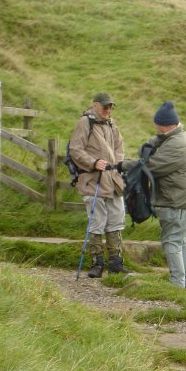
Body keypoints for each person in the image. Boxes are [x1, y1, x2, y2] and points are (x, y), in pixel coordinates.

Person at [119, 101, 186, 289]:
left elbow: (149, 166)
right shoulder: (173, 138)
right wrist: (148, 146)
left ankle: (177, 285)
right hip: (181, 200)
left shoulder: (176, 145)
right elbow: (147, 148)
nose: (155, 128)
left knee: (171, 243)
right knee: (181, 241)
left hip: (175, 202)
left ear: (165, 125)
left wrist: (122, 165)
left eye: (157, 124)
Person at [69, 92, 130, 278]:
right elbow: (75, 149)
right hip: (93, 182)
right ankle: (97, 263)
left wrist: (115, 165)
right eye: (105, 106)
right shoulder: (84, 123)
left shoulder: (112, 124)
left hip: (113, 182)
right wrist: (93, 162)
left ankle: (116, 263)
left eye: (111, 106)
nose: (108, 109)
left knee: (116, 221)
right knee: (96, 223)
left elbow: (119, 148)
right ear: (95, 105)